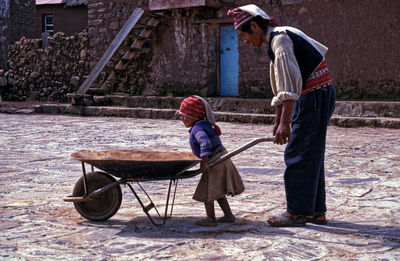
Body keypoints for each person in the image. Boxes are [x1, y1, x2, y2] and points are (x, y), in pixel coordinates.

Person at [228, 4, 336, 226]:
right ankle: (316, 211)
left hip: (314, 96)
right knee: (311, 154)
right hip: (318, 94)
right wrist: (278, 121)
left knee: (297, 153)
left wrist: (285, 124)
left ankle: (296, 212)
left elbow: (289, 87)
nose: (244, 42)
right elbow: (281, 87)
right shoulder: (279, 37)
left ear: (255, 26)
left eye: (244, 35)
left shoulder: (280, 40)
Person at [179, 95, 245, 226]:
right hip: (221, 157)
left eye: (184, 115)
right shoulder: (204, 124)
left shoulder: (197, 128)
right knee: (218, 190)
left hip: (214, 161)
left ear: (194, 116)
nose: (181, 119)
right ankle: (228, 215)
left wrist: (204, 161)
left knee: (207, 190)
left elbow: (205, 143)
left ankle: (211, 219)